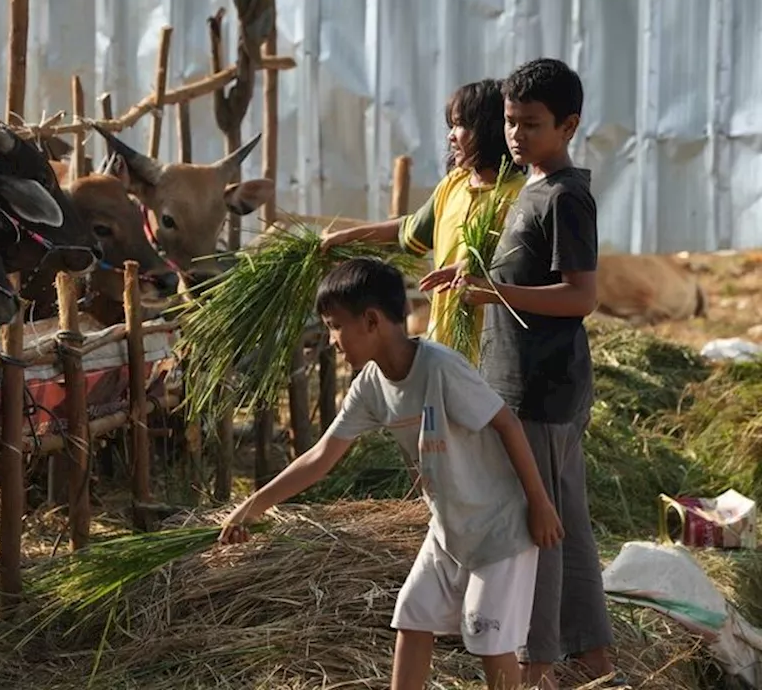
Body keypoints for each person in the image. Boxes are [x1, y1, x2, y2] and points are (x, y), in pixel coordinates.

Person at [218, 257, 564, 690]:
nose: (332, 340)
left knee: (489, 638)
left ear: (371, 321)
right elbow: (323, 456)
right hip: (449, 530)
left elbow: (507, 425)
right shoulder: (370, 386)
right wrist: (254, 505)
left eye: (335, 326)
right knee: (413, 617)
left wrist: (540, 503)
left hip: (500, 527)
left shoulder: (440, 368)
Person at [422, 57, 618, 689]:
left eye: (531, 125)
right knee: (567, 522)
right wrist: (473, 281)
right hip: (529, 382)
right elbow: (521, 277)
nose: (515, 135)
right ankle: (593, 658)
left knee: (538, 527)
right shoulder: (531, 185)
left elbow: (580, 296)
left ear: (568, 125)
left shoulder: (565, 196)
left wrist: (496, 296)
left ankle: (536, 663)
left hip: (542, 388)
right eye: (510, 122)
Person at [321, 79, 525, 363]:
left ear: (490, 129)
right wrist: (345, 238)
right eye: (450, 126)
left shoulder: (518, 194)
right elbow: (408, 229)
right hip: (444, 346)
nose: (451, 136)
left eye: (462, 126)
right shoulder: (453, 185)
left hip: (492, 353)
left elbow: (520, 266)